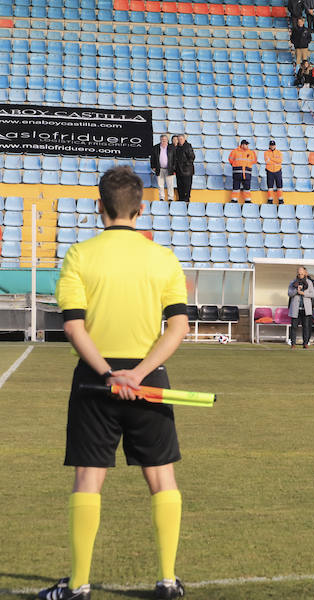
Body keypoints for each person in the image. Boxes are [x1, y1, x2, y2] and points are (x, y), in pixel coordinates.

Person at [43, 167, 190, 600]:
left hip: (95, 381)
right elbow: (178, 326)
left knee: (89, 479)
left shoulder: (79, 256)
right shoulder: (162, 258)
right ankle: (166, 581)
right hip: (150, 381)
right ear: (141, 210)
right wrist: (139, 375)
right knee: (162, 480)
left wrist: (109, 375)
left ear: (99, 207)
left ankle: (79, 585)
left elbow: (74, 328)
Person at [288, 267, 314, 349]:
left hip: (306, 309)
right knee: (294, 326)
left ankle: (305, 343)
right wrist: (296, 291)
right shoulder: (293, 282)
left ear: (305, 273)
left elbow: (312, 294)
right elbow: (289, 293)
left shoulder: (309, 282)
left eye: (302, 274)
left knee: (306, 327)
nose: (300, 275)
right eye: (299, 274)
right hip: (295, 308)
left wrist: (303, 293)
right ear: (297, 273)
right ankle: (293, 343)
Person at [228, 139, 256, 204]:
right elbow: (230, 159)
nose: (247, 146)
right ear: (242, 145)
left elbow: (254, 160)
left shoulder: (251, 152)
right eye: (246, 144)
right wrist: (236, 165)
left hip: (247, 173)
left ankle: (247, 200)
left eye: (247, 144)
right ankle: (234, 200)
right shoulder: (235, 151)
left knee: (247, 188)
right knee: (236, 187)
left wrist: (247, 165)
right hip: (237, 173)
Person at [150, 134, 177, 203]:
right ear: (160, 140)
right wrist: (153, 166)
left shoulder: (172, 148)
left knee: (170, 184)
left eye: (165, 140)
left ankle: (170, 197)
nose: (164, 142)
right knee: (160, 184)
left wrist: (174, 168)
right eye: (162, 140)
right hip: (159, 169)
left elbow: (175, 159)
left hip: (169, 169)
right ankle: (161, 197)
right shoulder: (155, 148)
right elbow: (152, 158)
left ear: (167, 140)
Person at [173, 135, 194, 203]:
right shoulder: (177, 147)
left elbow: (192, 157)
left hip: (187, 171)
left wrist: (185, 164)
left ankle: (186, 198)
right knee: (179, 185)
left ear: (184, 139)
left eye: (181, 139)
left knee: (187, 185)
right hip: (179, 170)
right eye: (179, 139)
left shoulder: (188, 146)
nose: (180, 141)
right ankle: (181, 198)